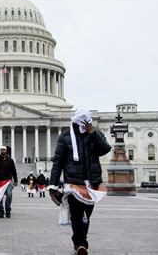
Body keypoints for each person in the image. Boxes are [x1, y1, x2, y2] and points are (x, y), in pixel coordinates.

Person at [49, 109, 111, 255]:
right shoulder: (65, 137)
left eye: (87, 122)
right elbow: (58, 161)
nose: (84, 125)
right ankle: (80, 243)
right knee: (76, 214)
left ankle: (81, 239)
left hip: (93, 182)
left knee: (86, 214)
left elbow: (105, 149)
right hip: (73, 182)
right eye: (80, 122)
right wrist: (53, 185)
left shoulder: (95, 135)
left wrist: (93, 133)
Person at [0, 146, 18, 218]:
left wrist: (16, 180)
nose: (2, 151)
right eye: (1, 150)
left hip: (8, 180)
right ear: (0, 151)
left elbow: (14, 171)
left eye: (4, 150)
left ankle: (8, 210)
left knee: (9, 195)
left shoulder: (10, 160)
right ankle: (1, 211)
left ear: (6, 151)